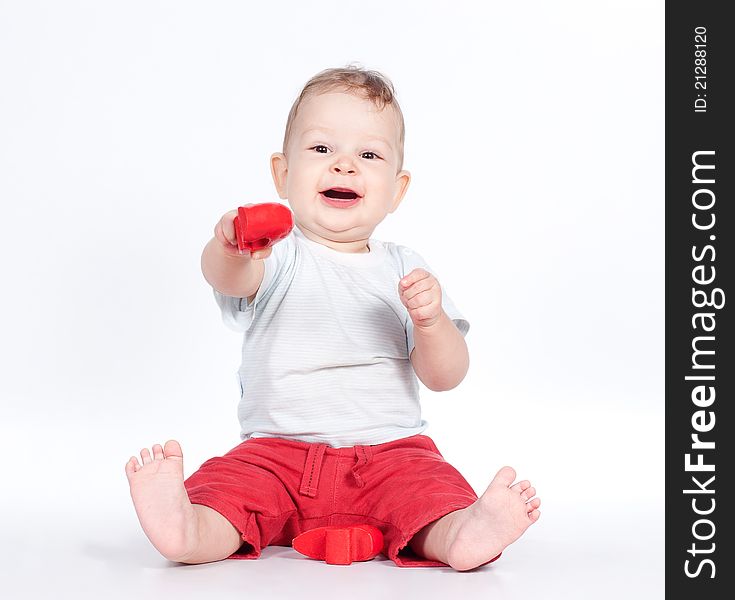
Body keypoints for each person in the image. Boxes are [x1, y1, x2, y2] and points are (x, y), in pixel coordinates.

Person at [125, 66, 541, 571]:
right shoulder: (276, 255)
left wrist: (432, 325)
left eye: (368, 155)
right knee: (230, 487)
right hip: (276, 454)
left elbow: (446, 376)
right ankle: (189, 530)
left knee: (430, 489)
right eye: (321, 149)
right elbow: (229, 277)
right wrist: (230, 244)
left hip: (391, 454)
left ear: (396, 189)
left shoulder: (405, 268)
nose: (343, 166)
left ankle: (461, 533)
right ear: (283, 174)